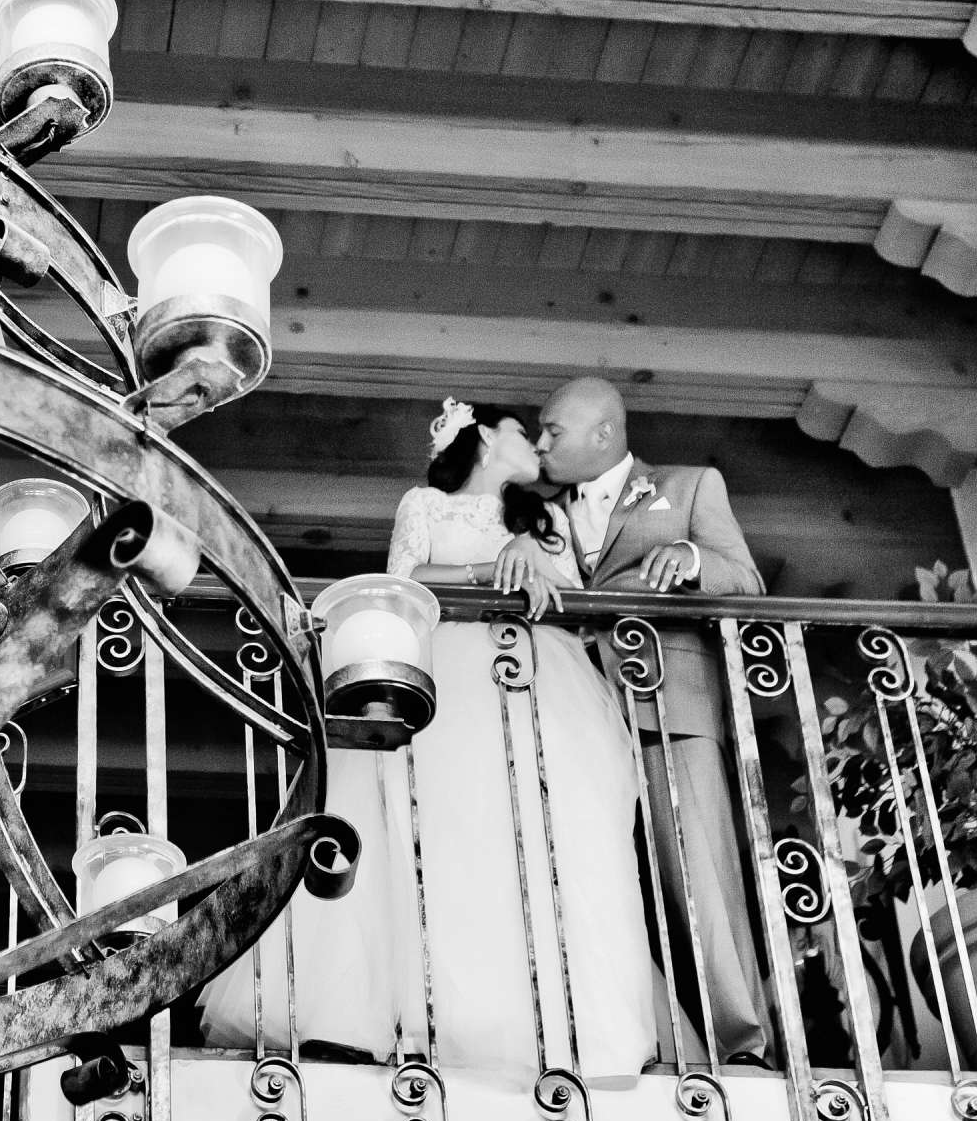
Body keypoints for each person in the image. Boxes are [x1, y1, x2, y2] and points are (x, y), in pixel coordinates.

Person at [200, 399, 657, 1085]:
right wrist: (484, 576)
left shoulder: (548, 520)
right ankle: (399, 1015)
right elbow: (402, 584)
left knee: (533, 837)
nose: (532, 440)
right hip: (446, 676)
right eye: (516, 430)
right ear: (480, 439)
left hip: (532, 679)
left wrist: (533, 552)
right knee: (435, 835)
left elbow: (566, 599)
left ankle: (538, 1019)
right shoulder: (426, 505)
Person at [533, 375, 773, 1064]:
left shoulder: (691, 486)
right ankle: (646, 1041)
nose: (542, 442)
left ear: (604, 432)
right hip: (573, 716)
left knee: (698, 872)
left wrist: (693, 560)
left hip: (670, 706)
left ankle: (740, 1043)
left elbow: (747, 579)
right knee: (596, 881)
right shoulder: (532, 514)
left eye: (554, 430)